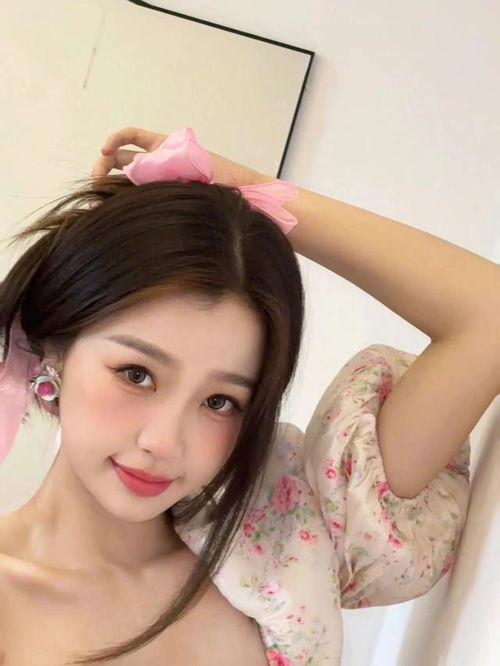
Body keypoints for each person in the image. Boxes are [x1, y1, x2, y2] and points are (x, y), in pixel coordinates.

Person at [0, 127, 498, 666]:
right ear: (53, 348)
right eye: (137, 375)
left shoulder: (281, 548)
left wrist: (244, 189)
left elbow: (487, 314)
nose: (163, 442)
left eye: (220, 402)